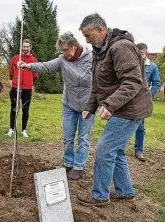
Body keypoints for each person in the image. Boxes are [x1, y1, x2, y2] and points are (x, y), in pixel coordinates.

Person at [76, 13, 152, 206]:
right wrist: (90, 107)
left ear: (100, 30)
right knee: (115, 150)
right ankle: (125, 191)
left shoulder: (121, 47)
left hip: (130, 110)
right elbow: (98, 84)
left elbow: (132, 82)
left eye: (89, 35)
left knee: (104, 149)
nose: (87, 40)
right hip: (120, 108)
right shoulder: (100, 50)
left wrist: (109, 104)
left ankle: (99, 196)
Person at [19, 32, 94, 180]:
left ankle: (78, 167)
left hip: (88, 104)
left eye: (66, 50)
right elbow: (45, 66)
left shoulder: (91, 58)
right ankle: (68, 163)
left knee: (84, 138)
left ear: (74, 46)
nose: (64, 53)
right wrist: (28, 66)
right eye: (62, 51)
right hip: (69, 104)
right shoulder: (62, 60)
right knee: (68, 137)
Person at [133, 43, 161, 161]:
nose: (140, 55)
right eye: (138, 52)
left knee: (140, 126)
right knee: (122, 123)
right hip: (127, 99)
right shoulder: (131, 64)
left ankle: (139, 150)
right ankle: (119, 149)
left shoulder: (152, 67)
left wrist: (149, 97)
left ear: (146, 52)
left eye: (142, 52)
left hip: (141, 101)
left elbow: (156, 83)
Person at [6, 39, 38, 138]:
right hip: (16, 87)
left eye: (27, 46)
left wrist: (29, 83)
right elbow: (11, 72)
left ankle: (24, 130)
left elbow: (35, 75)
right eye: (24, 46)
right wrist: (14, 81)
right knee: (14, 108)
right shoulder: (15, 59)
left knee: (26, 109)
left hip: (27, 89)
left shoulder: (33, 60)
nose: (25, 48)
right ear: (21, 47)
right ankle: (11, 128)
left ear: (30, 47)